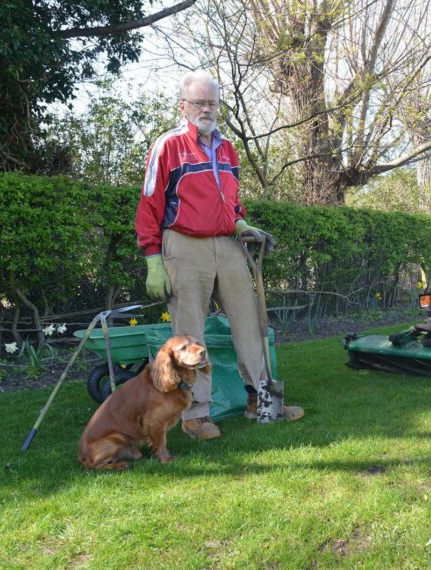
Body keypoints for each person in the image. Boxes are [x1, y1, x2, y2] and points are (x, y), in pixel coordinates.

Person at [135, 71, 304, 440]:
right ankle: (195, 415)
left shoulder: (228, 149)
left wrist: (242, 226)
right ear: (183, 106)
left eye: (212, 102)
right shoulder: (167, 146)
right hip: (183, 244)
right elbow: (150, 204)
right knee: (190, 335)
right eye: (199, 102)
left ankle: (260, 401)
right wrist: (152, 259)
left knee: (250, 323)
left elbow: (231, 202)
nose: (206, 109)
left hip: (229, 244)